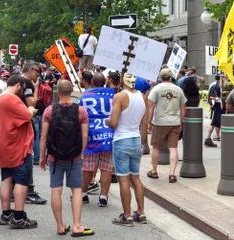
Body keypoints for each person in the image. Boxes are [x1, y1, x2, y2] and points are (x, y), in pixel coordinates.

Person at [39, 80, 94, 237]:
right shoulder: (81, 111)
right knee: (76, 189)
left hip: (54, 157)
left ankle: (60, 226)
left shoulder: (49, 111)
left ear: (58, 91)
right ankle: (77, 226)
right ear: (71, 91)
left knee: (56, 190)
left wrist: (43, 156)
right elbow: (84, 135)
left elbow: (43, 136)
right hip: (74, 156)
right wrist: (81, 153)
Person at [0, 75, 38, 229]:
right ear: (19, 85)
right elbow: (26, 115)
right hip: (16, 146)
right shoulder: (11, 99)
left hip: (2, 144)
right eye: (22, 88)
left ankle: (6, 213)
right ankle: (18, 216)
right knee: (21, 180)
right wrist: (31, 108)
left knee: (6, 178)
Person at [107, 73, 148, 226]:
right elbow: (145, 123)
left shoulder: (119, 97)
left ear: (123, 82)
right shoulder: (143, 97)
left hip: (122, 140)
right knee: (136, 178)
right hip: (136, 140)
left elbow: (114, 122)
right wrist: (142, 142)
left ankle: (127, 215)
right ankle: (141, 212)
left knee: (123, 179)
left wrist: (107, 121)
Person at [79, 72, 114, 207]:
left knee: (87, 168)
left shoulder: (84, 97)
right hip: (108, 135)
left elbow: (80, 116)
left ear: (92, 82)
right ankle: (104, 196)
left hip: (91, 135)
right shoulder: (114, 96)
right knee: (106, 168)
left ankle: (83, 193)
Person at [147, 68, 186, 183]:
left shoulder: (156, 89)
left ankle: (154, 171)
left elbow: (150, 107)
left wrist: (149, 122)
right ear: (170, 77)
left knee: (156, 147)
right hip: (175, 122)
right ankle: (172, 174)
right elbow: (183, 109)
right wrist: (181, 121)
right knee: (173, 148)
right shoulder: (178, 90)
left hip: (160, 122)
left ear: (160, 77)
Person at [20, 62, 47, 204]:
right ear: (30, 69)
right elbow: (32, 103)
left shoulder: (16, 80)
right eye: (37, 71)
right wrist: (36, 88)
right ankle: (29, 191)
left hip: (16, 124)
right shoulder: (27, 83)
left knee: (18, 160)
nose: (39, 74)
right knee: (27, 158)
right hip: (25, 123)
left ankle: (16, 190)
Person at [206, 74, 222, 147]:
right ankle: (208, 138)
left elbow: (209, 96)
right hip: (219, 106)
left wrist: (211, 105)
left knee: (215, 122)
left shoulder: (213, 84)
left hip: (215, 105)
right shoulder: (219, 85)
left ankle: (209, 138)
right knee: (215, 122)